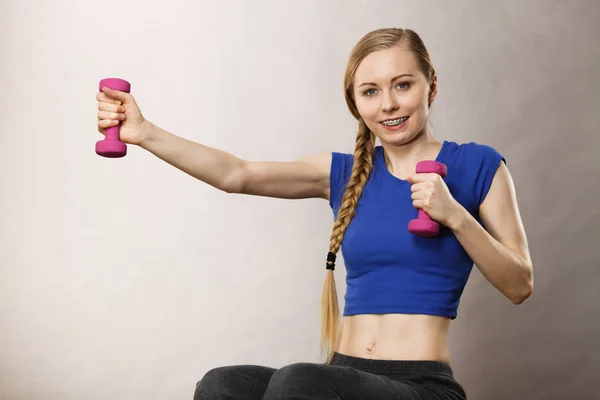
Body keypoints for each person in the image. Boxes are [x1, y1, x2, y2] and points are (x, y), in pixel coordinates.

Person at [96, 27, 533, 400]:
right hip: (342, 373)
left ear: (430, 86)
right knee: (221, 386)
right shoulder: (344, 174)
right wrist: (144, 133)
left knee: (299, 382)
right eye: (371, 92)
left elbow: (519, 284)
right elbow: (237, 174)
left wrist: (454, 214)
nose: (388, 105)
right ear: (356, 103)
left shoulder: (478, 166)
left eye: (403, 85)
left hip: (421, 385)